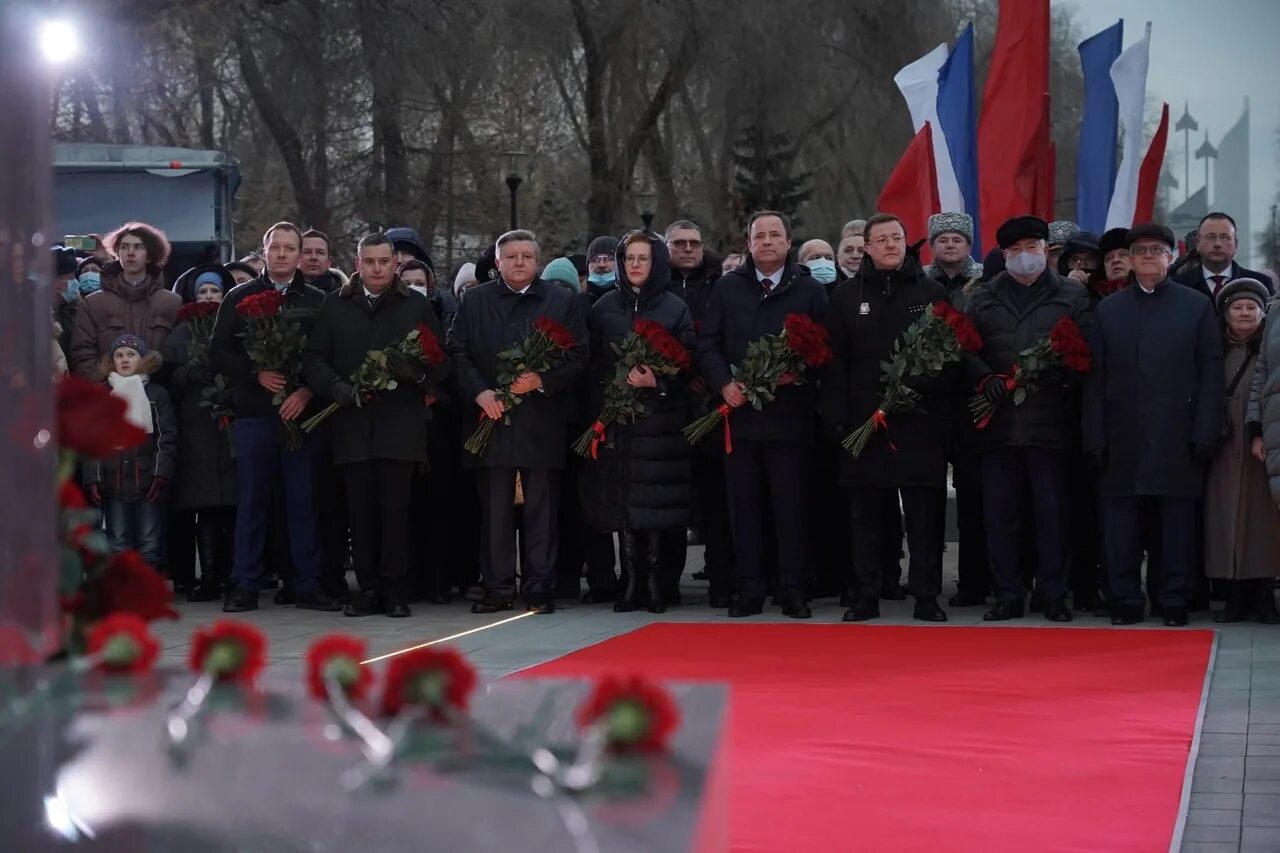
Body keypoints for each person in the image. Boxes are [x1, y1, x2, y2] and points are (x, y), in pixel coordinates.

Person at [1083, 223, 1224, 626]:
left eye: (1157, 250)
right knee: (1120, 528)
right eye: (1140, 250)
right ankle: (1125, 600)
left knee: (1176, 526)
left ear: (1171, 256)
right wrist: (1094, 436)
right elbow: (1095, 380)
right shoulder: (1109, 310)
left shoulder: (1195, 306)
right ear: (1128, 260)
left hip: (1177, 434)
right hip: (1121, 436)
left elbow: (1211, 374)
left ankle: (1173, 599)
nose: (1148, 256)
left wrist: (1205, 431)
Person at [304, 234, 449, 618]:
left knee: (395, 513)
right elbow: (314, 359)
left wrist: (415, 374)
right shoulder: (335, 304)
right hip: (351, 424)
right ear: (358, 264)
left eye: (384, 261)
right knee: (360, 514)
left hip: (399, 427)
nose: (377, 268)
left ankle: (396, 589)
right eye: (369, 261)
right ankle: (368, 590)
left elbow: (440, 362)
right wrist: (338, 388)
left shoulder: (415, 304)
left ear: (394, 264)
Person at [446, 229, 588, 614]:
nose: (519, 262)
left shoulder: (562, 301)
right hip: (490, 421)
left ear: (537, 261)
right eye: (511, 256)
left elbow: (579, 357)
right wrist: (480, 392)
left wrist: (541, 380)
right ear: (498, 262)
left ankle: (539, 586)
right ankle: (498, 587)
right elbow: (456, 352)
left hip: (542, 422)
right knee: (495, 513)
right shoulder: (474, 300)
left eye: (526, 256)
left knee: (542, 511)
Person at [697, 210, 828, 619]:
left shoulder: (808, 289)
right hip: (739, 419)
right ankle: (750, 588)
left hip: (790, 418)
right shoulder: (726, 288)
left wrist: (799, 372)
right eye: (760, 236)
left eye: (775, 235)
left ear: (788, 241)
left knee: (791, 508)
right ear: (749, 243)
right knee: (744, 509)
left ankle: (792, 589)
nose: (767, 241)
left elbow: (826, 349)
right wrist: (724, 384)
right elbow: (707, 344)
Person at [824, 213, 951, 623]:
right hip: (865, 424)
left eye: (897, 237)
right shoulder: (846, 296)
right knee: (866, 515)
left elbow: (949, 357)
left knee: (924, 516)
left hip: (919, 421)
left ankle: (926, 595)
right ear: (867, 247)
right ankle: (867, 594)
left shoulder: (932, 292)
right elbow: (835, 363)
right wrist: (838, 417)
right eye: (881, 240)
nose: (891, 245)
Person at [964, 216, 1093, 622]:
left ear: (1046, 251)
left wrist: (1062, 374)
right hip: (998, 426)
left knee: (1052, 515)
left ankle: (1052, 594)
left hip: (1051, 424)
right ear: (1004, 255)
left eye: (1033, 247)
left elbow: (1086, 347)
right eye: (1016, 250)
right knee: (1001, 516)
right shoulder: (983, 296)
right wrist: (984, 378)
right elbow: (965, 348)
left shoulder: (1071, 294)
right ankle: (1008, 594)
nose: (1025, 256)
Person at [209, 222, 340, 613]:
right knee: (252, 502)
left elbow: (329, 355)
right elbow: (218, 351)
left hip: (301, 415)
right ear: (264, 251)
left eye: (289, 248)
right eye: (275, 247)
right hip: (254, 413)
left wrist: (307, 391)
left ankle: (307, 584)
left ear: (299, 254)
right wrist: (256, 374)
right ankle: (245, 584)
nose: (282, 254)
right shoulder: (239, 297)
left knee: (302, 502)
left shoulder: (318, 301)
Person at [580, 230, 695, 613]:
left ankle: (656, 583)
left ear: (656, 263)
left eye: (643, 258)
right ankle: (629, 582)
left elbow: (689, 363)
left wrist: (657, 381)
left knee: (655, 506)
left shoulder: (675, 308)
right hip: (619, 422)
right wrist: (610, 393)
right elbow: (593, 363)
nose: (635, 265)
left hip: (660, 423)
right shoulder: (604, 308)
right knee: (625, 504)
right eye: (629, 258)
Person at [921, 213, 988, 609]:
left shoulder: (983, 284)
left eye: (957, 239)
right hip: (929, 403)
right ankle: (925, 581)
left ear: (969, 246)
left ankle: (974, 581)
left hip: (972, 402)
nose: (949, 245)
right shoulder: (921, 285)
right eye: (942, 239)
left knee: (973, 497)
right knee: (926, 496)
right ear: (932, 245)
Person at [666, 219, 732, 607]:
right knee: (673, 498)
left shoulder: (720, 283)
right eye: (679, 243)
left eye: (694, 243)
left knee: (716, 498)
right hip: (670, 404)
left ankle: (721, 577)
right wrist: (681, 375)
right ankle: (666, 581)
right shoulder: (659, 285)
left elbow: (722, 336)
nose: (688, 249)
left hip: (713, 403)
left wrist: (710, 376)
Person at [1206, 279, 1280, 623]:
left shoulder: (1267, 350)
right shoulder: (1214, 350)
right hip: (1223, 450)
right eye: (1238, 307)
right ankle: (1233, 595)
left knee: (1263, 524)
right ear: (1226, 314)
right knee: (1226, 521)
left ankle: (1264, 595)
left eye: (1252, 307)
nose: (1245, 313)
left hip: (1262, 447)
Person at [164, 265, 238, 602]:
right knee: (205, 507)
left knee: (232, 508)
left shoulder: (236, 326)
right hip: (196, 427)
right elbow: (168, 379)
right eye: (203, 292)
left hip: (231, 423)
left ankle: (232, 574)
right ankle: (209, 576)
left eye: (215, 291)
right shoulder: (181, 332)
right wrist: (188, 373)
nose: (209, 297)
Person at [83, 335, 176, 571]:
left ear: (143, 360)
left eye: (131, 355)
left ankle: (150, 588)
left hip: (146, 482)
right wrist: (93, 478)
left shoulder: (156, 395)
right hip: (112, 483)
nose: (125, 360)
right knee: (117, 543)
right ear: (111, 361)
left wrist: (160, 474)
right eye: (119, 355)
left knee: (150, 543)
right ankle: (122, 589)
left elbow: (166, 439)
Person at [69, 222, 181, 379]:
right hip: (107, 389)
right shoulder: (93, 303)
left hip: (156, 389)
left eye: (138, 247)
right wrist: (104, 384)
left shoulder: (171, 302)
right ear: (117, 253)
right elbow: (82, 352)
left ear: (150, 255)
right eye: (124, 247)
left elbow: (178, 355)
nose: (130, 252)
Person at [1174, 212, 1276, 302]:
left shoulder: (1259, 284)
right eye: (1210, 237)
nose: (1217, 244)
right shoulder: (1178, 285)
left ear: (1235, 245)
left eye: (1225, 237)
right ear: (1197, 243)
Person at [923, 213, 982, 296]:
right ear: (932, 247)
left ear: (969, 247)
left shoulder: (985, 277)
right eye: (943, 241)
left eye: (957, 241)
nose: (950, 245)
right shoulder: (920, 278)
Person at [299, 228, 344, 293]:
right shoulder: (284, 294)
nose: (313, 257)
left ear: (329, 261)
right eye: (307, 252)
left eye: (320, 252)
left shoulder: (348, 296)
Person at [585, 236, 619, 303]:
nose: (601, 265)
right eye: (595, 259)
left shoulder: (633, 303)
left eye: (609, 259)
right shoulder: (577, 303)